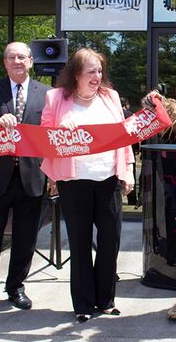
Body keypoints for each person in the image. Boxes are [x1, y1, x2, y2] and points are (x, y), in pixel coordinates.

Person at [40, 48, 135, 323]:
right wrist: (60, 128)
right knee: (80, 244)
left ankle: (106, 300)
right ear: (76, 74)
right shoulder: (55, 97)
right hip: (74, 182)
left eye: (100, 71)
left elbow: (123, 136)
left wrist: (127, 170)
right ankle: (82, 304)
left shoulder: (111, 97)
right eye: (91, 71)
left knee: (109, 242)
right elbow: (45, 136)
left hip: (107, 180)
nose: (98, 76)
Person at [0, 42, 51, 317]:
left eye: (22, 57)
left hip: (32, 178)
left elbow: (51, 133)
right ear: (5, 62)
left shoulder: (47, 94)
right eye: (11, 57)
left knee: (25, 239)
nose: (17, 61)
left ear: (30, 61)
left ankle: (15, 288)